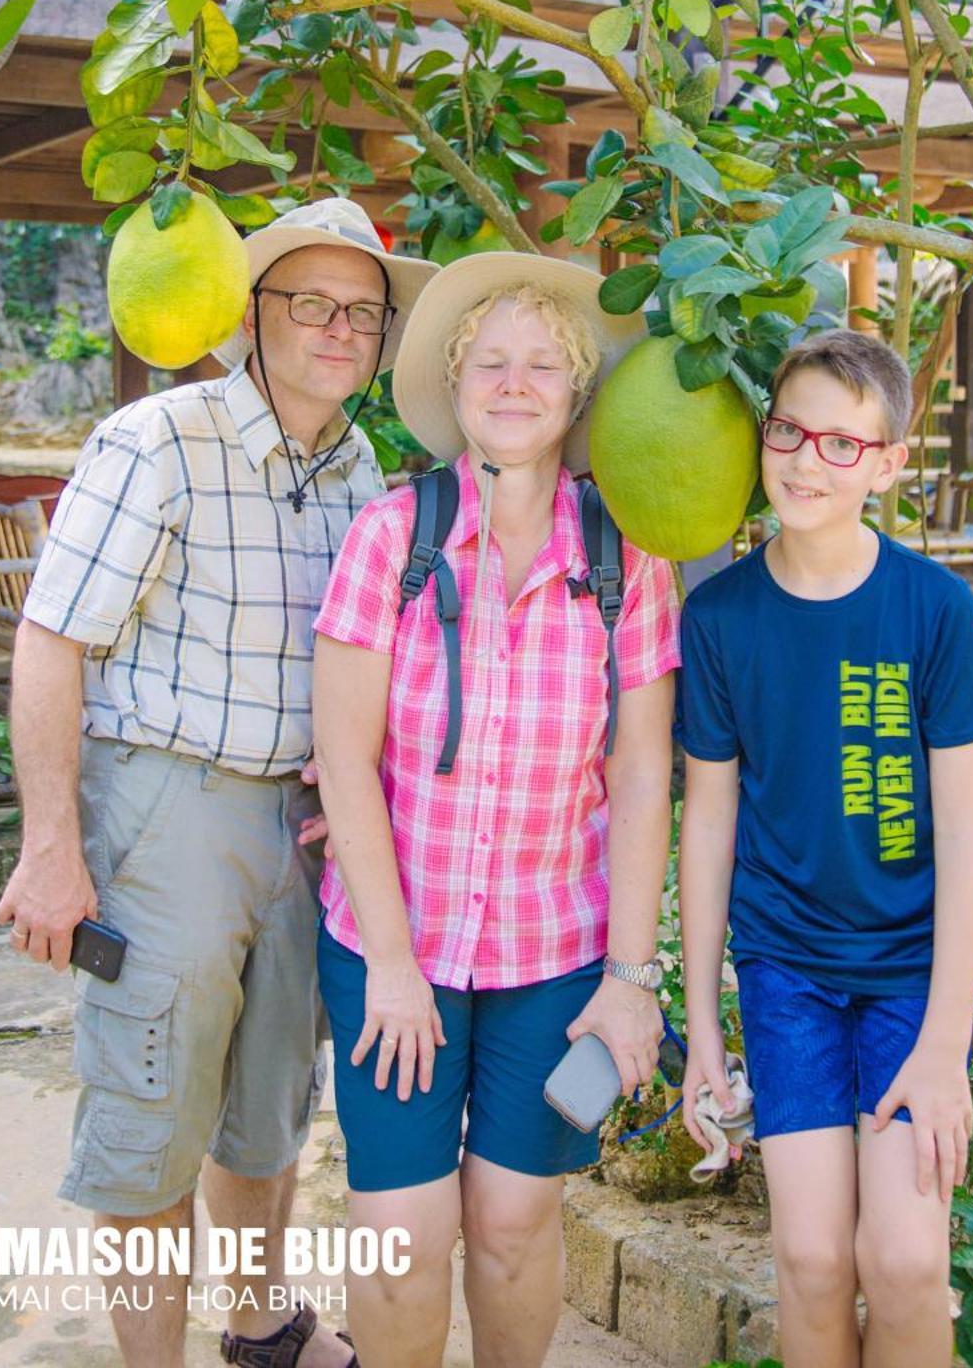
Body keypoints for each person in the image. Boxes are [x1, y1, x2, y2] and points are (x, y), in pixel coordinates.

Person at [0, 198, 435, 1368]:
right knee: (150, 1113)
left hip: (300, 821)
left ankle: (259, 1326)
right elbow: (51, 640)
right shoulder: (160, 438)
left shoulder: (363, 467)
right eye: (309, 301)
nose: (338, 328)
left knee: (268, 1104)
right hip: (165, 805)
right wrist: (51, 845)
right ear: (251, 312)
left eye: (361, 311)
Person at [311, 252, 680, 1368]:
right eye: (490, 361)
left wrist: (631, 977)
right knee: (398, 1234)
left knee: (515, 1226)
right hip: (394, 946)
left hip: (554, 953)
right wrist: (389, 961)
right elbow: (344, 755)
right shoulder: (392, 535)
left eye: (541, 365)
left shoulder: (626, 553)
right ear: (456, 382)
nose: (513, 383)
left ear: (573, 395)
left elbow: (643, 773)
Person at [678, 328, 973, 1368]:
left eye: (839, 442)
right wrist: (699, 1027)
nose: (802, 460)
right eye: (788, 429)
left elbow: (968, 834)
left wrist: (945, 1045)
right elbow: (709, 820)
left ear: (886, 462)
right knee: (813, 1255)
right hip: (786, 974)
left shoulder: (933, 607)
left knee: (907, 1260)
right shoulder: (720, 614)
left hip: (911, 975)